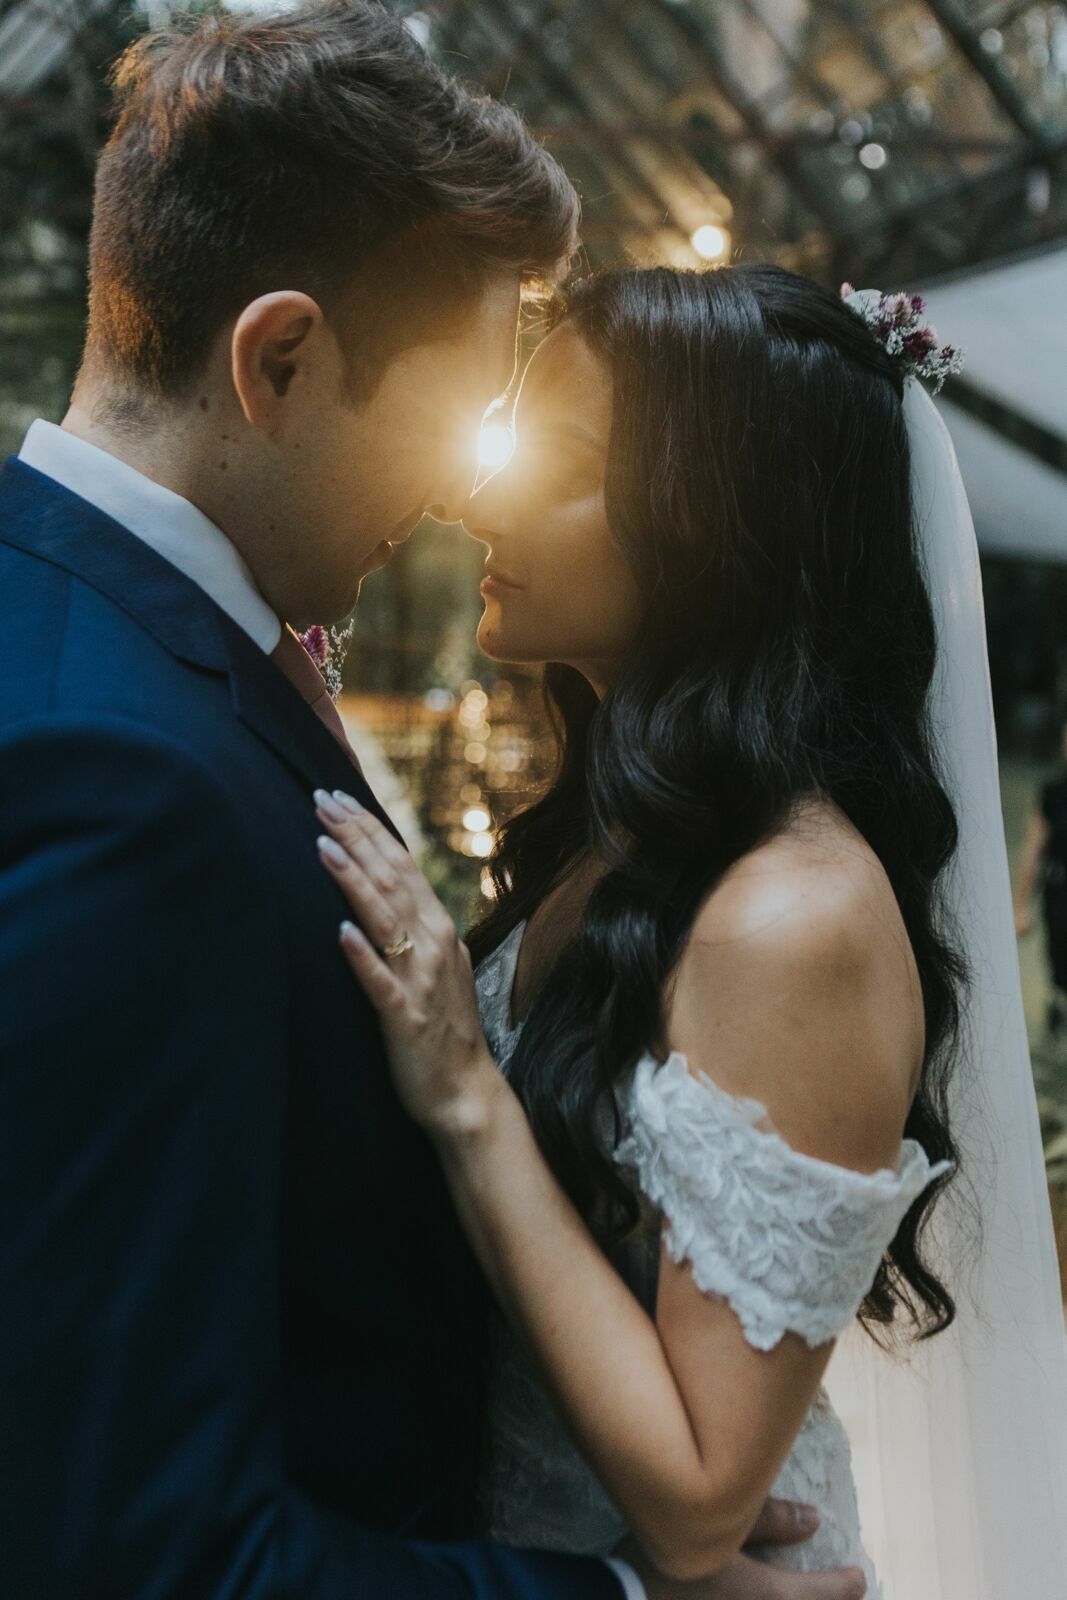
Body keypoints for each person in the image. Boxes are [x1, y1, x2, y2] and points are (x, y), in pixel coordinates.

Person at [0, 7, 857, 1599]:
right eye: (440, 421)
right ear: (280, 359)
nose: (464, 495)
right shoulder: (126, 782)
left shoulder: (108, 635)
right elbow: (132, 1543)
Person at [314, 268, 1067, 1597]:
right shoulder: (633, 839)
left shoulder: (790, 921)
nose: (482, 504)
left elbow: (696, 1502)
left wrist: (464, 1094)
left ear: (724, 527)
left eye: (565, 467)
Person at [1014, 716, 1067, 1037]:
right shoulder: (1052, 794)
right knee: (1058, 948)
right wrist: (1020, 905)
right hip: (1059, 889)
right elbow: (1033, 848)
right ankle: (1058, 1000)